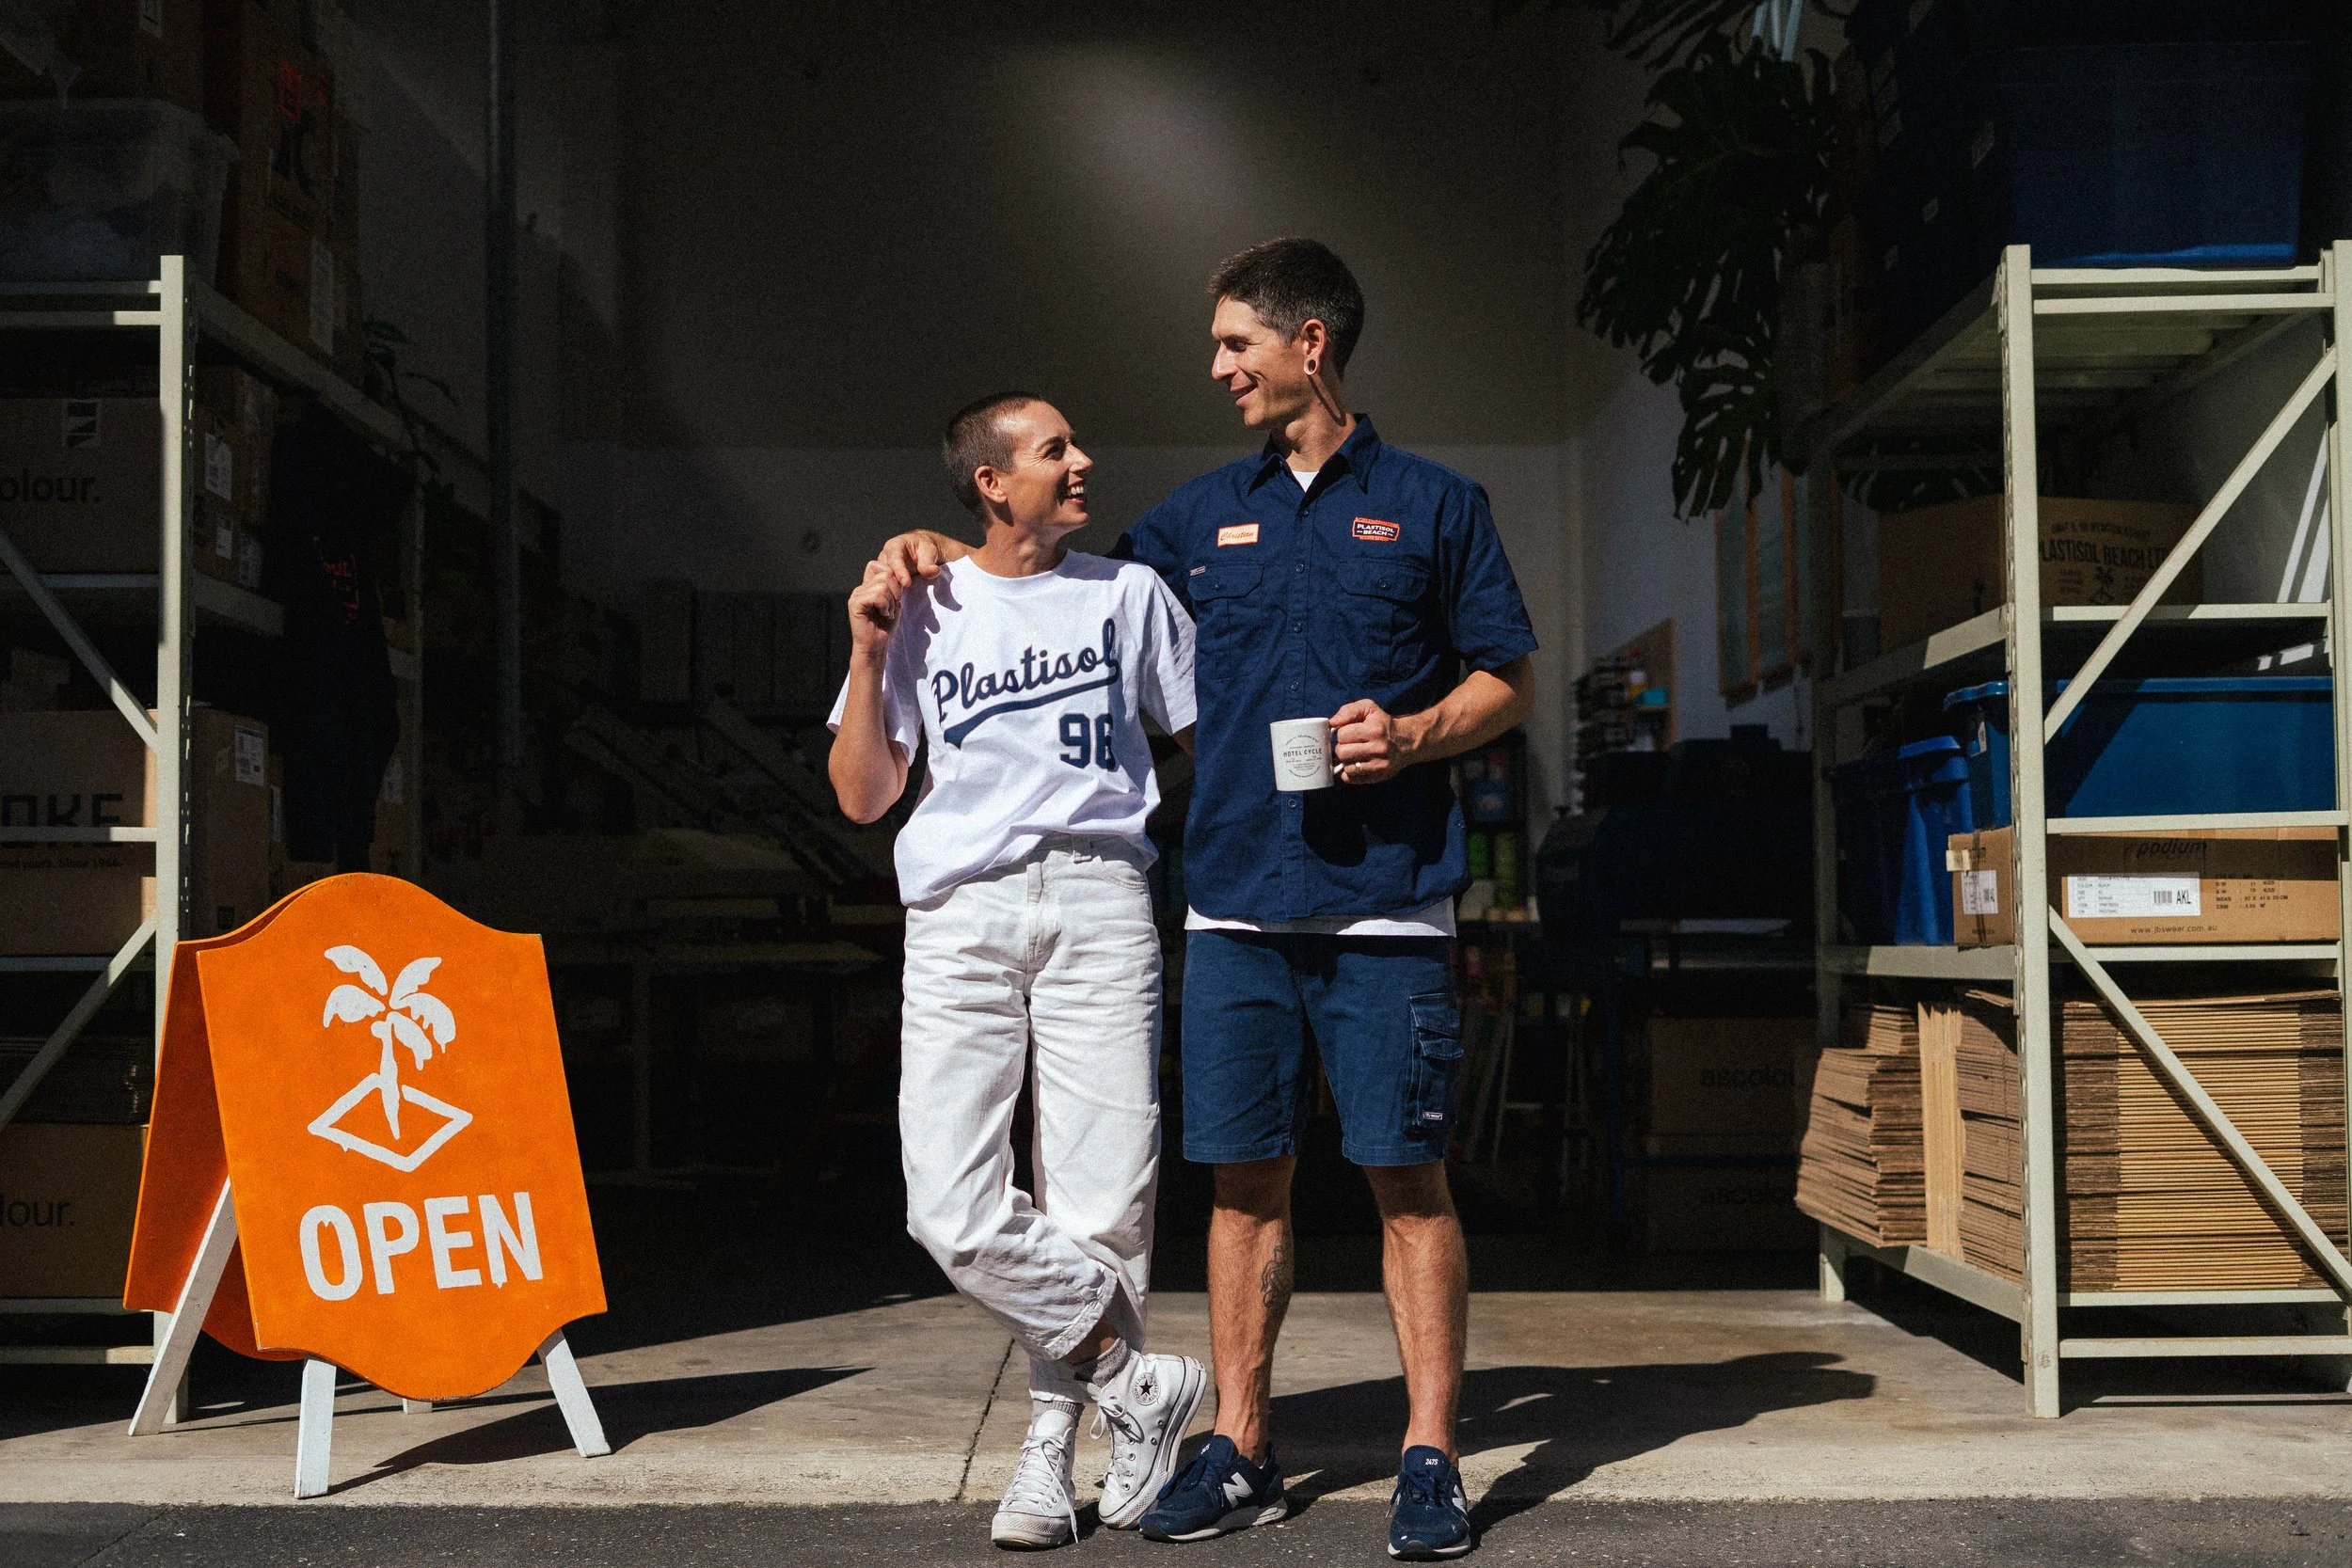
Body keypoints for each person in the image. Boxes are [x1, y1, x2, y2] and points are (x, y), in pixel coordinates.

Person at [877, 239, 1536, 1561]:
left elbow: (1505, 676)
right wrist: (943, 542)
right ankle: (1236, 1439)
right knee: (1244, 1187)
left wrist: (1411, 736)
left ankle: (1429, 1452)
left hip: (1388, 899)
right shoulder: (1188, 523)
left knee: (1407, 1177)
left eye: (1238, 342)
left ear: (1311, 346)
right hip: (1232, 900)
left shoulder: (1436, 503)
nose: (1218, 365)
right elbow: (1049, 581)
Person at [829, 392, 1208, 1550]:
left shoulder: (1128, 594)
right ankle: (1134, 1381)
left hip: (1100, 897)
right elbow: (860, 794)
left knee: (1103, 1195)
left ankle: (1053, 1445)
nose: (1084, 459)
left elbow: (1209, 736)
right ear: (991, 482)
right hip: (961, 909)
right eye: (1056, 449)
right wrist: (866, 644)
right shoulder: (922, 608)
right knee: (947, 1198)